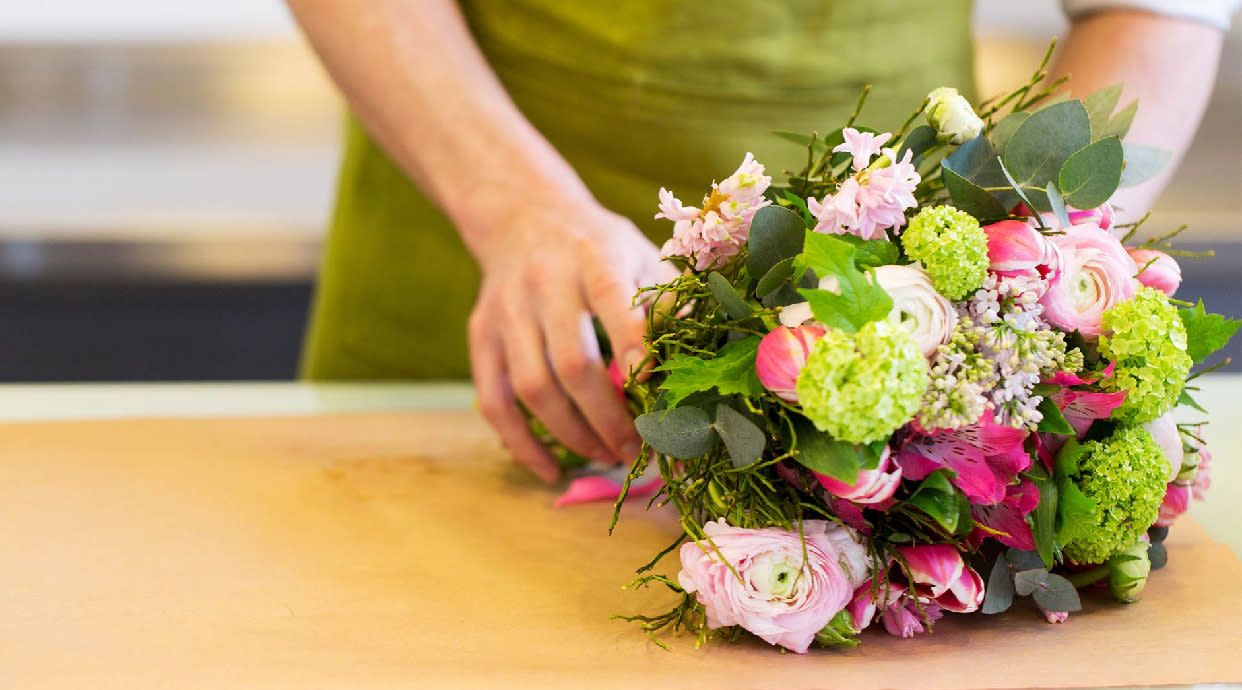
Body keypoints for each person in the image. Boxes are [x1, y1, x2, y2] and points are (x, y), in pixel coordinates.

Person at [287, 0, 1236, 484]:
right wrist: (514, 208)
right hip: (483, 255)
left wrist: (1020, 271)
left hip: (900, 271)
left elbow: (1148, 11)